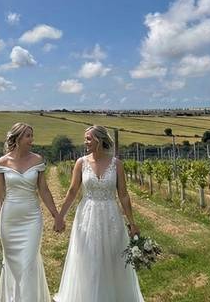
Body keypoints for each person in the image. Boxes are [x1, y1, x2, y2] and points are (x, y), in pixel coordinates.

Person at [52, 125, 145, 302]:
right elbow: (72, 191)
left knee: (112, 259)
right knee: (89, 258)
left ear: (99, 140)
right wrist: (60, 216)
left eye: (88, 138)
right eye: (85, 138)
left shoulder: (116, 164)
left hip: (111, 216)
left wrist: (132, 222)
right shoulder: (81, 163)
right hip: (87, 216)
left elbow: (123, 195)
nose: (85, 142)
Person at [0, 123, 63, 302]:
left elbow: (43, 190)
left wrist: (56, 215)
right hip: (9, 220)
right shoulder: (2, 162)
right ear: (17, 138)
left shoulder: (37, 160)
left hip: (31, 218)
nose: (31, 140)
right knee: (12, 264)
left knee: (28, 262)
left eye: (31, 136)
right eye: (28, 136)